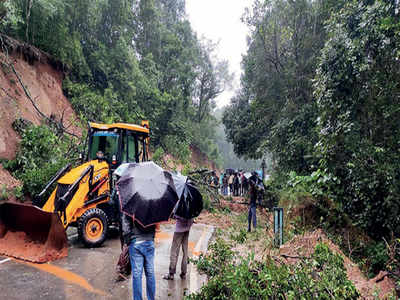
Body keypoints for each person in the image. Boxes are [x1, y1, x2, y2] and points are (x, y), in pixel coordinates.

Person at [122, 213, 157, 300]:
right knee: (150, 273)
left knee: (137, 275)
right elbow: (156, 224)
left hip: (136, 242)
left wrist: (127, 241)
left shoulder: (131, 204)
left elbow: (125, 225)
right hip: (149, 242)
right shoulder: (153, 204)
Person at [163, 216, 194, 280]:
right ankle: (184, 273)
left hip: (179, 230)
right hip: (187, 229)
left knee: (174, 251)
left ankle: (171, 273)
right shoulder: (192, 207)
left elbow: (175, 216)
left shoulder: (181, 206)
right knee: (185, 251)